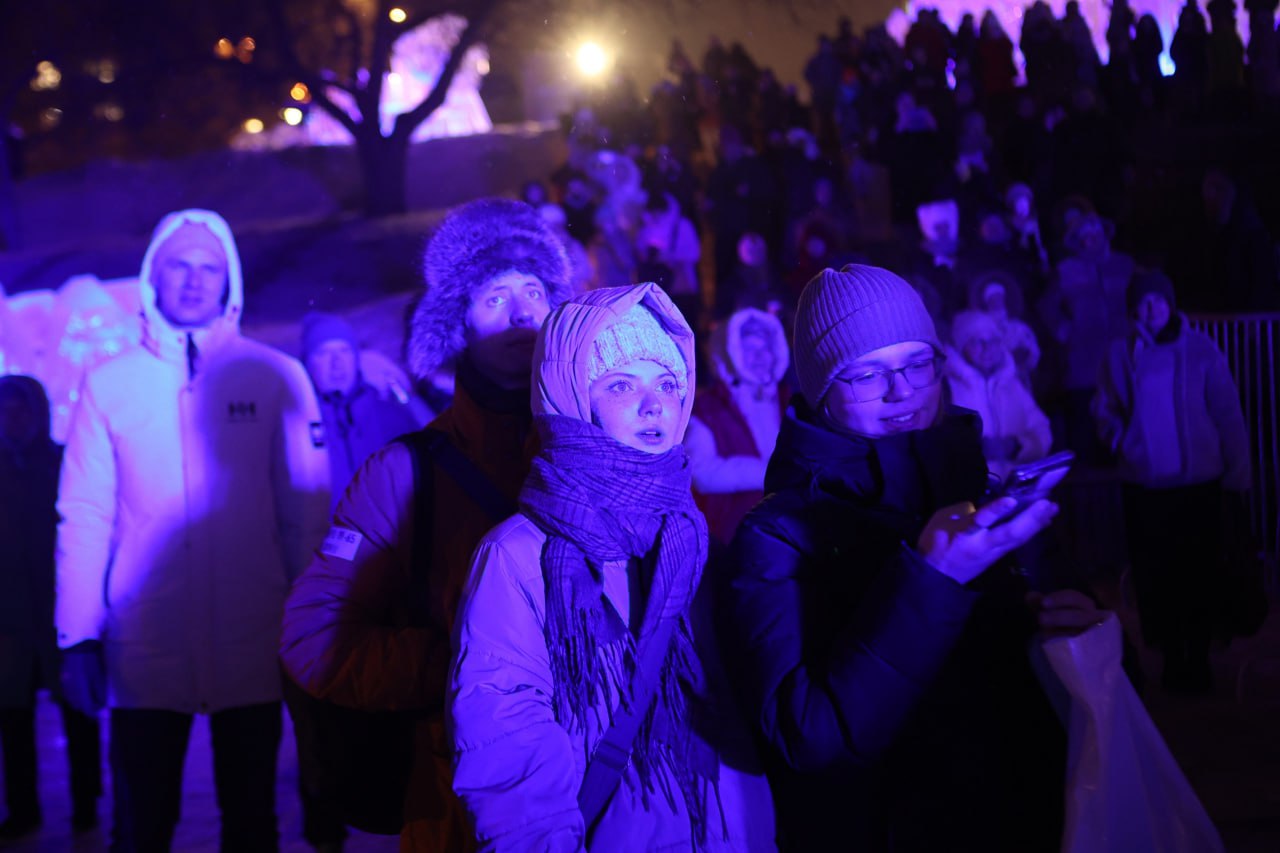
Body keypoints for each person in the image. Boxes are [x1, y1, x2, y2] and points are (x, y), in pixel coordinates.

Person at [716, 265, 1106, 850]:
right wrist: (932, 579)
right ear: (821, 392)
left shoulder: (987, 495)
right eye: (865, 374)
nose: (901, 392)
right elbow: (806, 737)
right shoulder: (775, 538)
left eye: (916, 364)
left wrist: (1085, 637)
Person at [280, 198, 572, 851]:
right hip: (456, 805)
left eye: (535, 289)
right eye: (495, 294)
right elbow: (312, 637)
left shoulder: (612, 451)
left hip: (605, 797)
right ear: (455, 323)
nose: (523, 312)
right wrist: (465, 664)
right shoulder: (405, 473)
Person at [449, 282, 775, 850]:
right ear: (571, 398)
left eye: (668, 383)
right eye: (621, 384)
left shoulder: (696, 540)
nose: (655, 405)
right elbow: (508, 759)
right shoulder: (518, 558)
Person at [54, 209, 331, 852]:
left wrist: (315, 628)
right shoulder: (110, 384)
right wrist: (78, 638)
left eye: (210, 268)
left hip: (254, 639)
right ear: (153, 274)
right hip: (144, 646)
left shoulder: (274, 376)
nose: (194, 281)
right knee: (142, 829)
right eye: (179, 265)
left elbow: (305, 512)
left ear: (229, 279)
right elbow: (84, 516)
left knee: (252, 823)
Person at [1093, 270, 1251, 693]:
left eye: (1159, 301)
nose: (1152, 309)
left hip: (1198, 483)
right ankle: (1171, 657)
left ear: (1171, 303)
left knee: (1198, 572)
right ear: (1133, 308)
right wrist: (1124, 441)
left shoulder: (1201, 350)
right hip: (1145, 486)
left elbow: (1228, 412)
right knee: (1155, 576)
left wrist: (1238, 471)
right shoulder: (1118, 353)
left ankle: (1197, 657)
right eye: (1144, 302)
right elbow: (1104, 408)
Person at [0, 375, 101, 839]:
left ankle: (87, 806)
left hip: (61, 614)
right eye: (6, 410)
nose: (14, 419)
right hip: (9, 620)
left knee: (77, 713)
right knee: (13, 719)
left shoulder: (63, 464)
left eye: (21, 409)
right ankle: (24, 810)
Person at [686, 307, 790, 548]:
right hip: (736, 534)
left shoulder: (788, 401)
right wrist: (770, 473)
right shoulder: (709, 408)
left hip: (790, 524)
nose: (760, 357)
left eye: (765, 348)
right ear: (729, 353)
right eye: (748, 349)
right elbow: (701, 473)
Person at [300, 311, 423, 512]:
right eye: (323, 352)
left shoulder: (392, 417)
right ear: (307, 363)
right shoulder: (295, 424)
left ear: (356, 358)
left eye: (345, 350)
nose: (336, 363)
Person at [945, 310, 1053, 482]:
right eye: (976, 341)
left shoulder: (1012, 385)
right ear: (962, 346)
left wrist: (1016, 446)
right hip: (968, 493)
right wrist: (973, 449)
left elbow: (1042, 430)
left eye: (993, 340)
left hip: (1012, 490)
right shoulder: (947, 387)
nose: (987, 348)